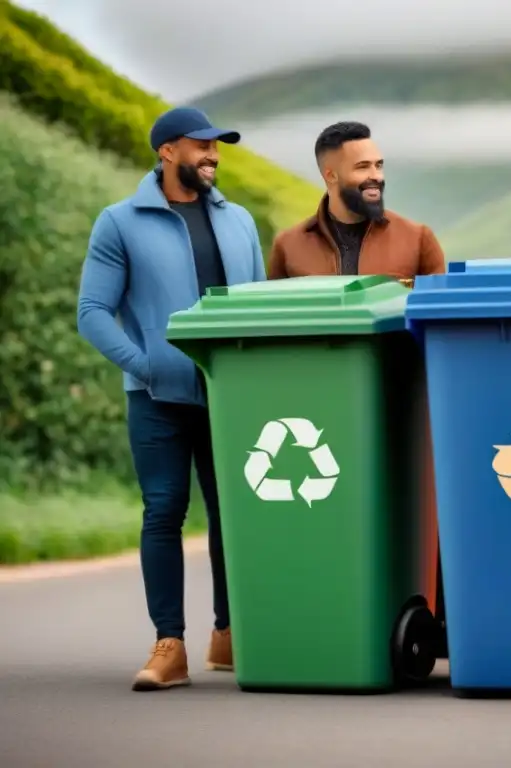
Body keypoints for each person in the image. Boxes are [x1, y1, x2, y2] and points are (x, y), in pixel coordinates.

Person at [77, 106, 267, 691]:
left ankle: (230, 634)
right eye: (200, 145)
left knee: (233, 516)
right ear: (166, 151)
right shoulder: (121, 221)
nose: (212, 155)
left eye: (217, 147)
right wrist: (146, 363)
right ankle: (169, 645)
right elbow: (93, 313)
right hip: (157, 397)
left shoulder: (239, 222)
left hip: (229, 394)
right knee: (163, 513)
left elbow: (257, 306)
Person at [268, 121, 446, 279]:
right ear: (331, 175)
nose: (376, 176)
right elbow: (273, 314)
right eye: (362, 167)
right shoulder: (288, 246)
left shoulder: (418, 239)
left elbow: (439, 312)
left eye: (378, 165)